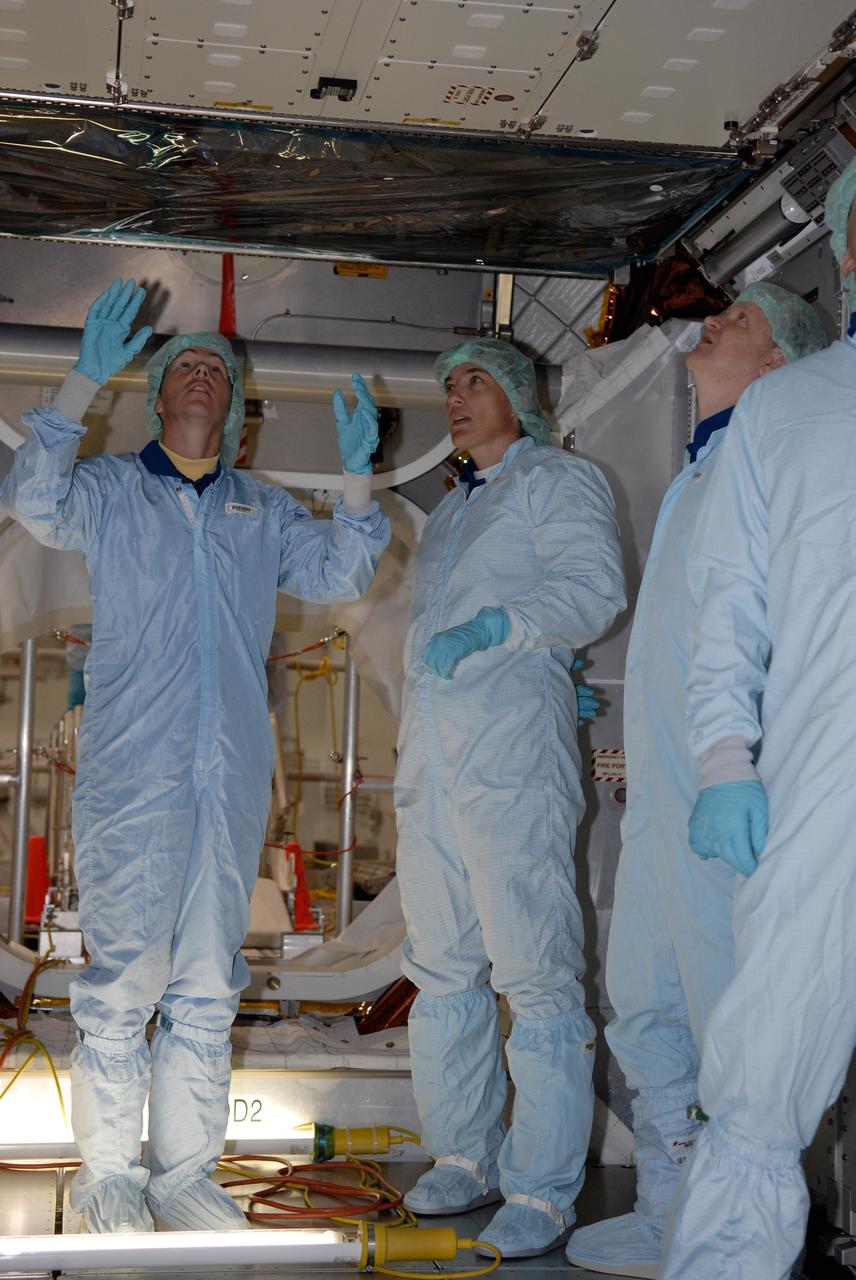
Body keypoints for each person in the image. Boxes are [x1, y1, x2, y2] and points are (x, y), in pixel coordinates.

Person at [0, 279, 390, 1234]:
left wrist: (358, 481)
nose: (205, 373)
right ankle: (108, 1175)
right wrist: (79, 381)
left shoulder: (263, 510)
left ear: (240, 416)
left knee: (210, 983)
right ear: (158, 397)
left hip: (229, 779)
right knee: (123, 983)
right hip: (135, 776)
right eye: (187, 365)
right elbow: (34, 498)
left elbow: (340, 569)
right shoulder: (109, 491)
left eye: (219, 367)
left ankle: (182, 1175)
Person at [566, 286, 829, 1278]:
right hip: (667, 789)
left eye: (741, 320)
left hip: (730, 793)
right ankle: (667, 1206)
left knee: (730, 1019)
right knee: (643, 1000)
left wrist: (734, 769)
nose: (713, 320)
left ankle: (738, 1235)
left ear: (778, 368)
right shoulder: (698, 472)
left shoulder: (775, 463)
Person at [656, 160, 856, 1280]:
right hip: (828, 775)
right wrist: (726, 757)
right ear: (847, 247)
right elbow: (728, 605)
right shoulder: (787, 407)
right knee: (769, 1052)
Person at [394, 338, 626, 1259]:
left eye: (475, 380)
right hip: (434, 764)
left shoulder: (556, 479)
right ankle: (465, 1153)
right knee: (442, 964)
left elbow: (593, 591)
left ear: (521, 394)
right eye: (448, 383)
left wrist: (504, 628)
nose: (455, 396)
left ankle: (542, 1187)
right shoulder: (453, 511)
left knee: (534, 971)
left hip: (513, 759)